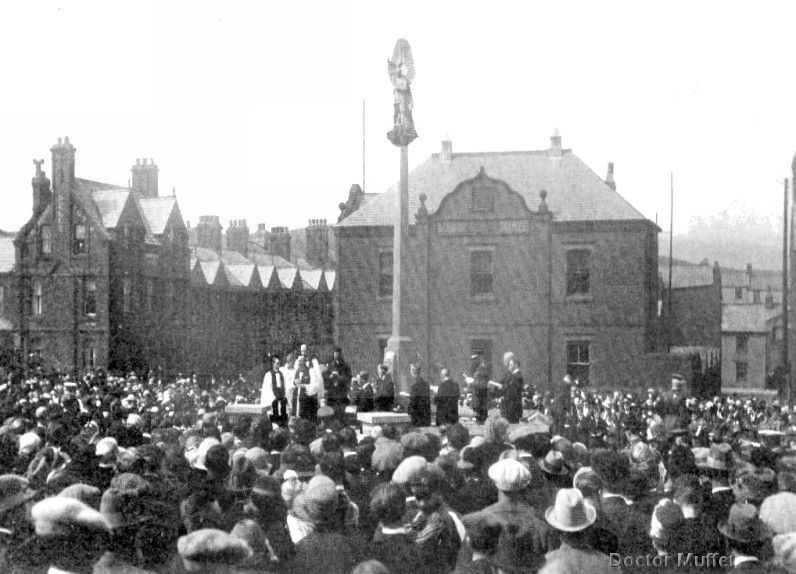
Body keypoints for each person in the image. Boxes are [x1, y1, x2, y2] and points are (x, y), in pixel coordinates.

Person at [494, 352, 524, 424]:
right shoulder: (512, 375)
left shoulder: (517, 376)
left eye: (510, 365)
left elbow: (512, 391)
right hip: (509, 408)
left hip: (512, 409)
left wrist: (503, 388)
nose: (509, 367)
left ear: (515, 365)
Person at [261, 355, 289, 427]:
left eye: (279, 363)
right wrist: (273, 398)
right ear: (272, 364)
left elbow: (285, 386)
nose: (278, 365)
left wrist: (285, 396)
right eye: (277, 363)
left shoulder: (282, 374)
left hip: (282, 402)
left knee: (283, 421)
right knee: (275, 423)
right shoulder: (268, 375)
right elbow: (267, 389)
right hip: (274, 402)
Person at [464, 355, 490, 425]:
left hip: (481, 401)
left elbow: (482, 385)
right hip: (478, 401)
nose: (472, 362)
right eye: (472, 360)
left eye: (474, 360)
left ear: (477, 360)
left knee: (480, 423)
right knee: (479, 421)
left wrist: (471, 382)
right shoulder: (478, 369)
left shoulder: (482, 369)